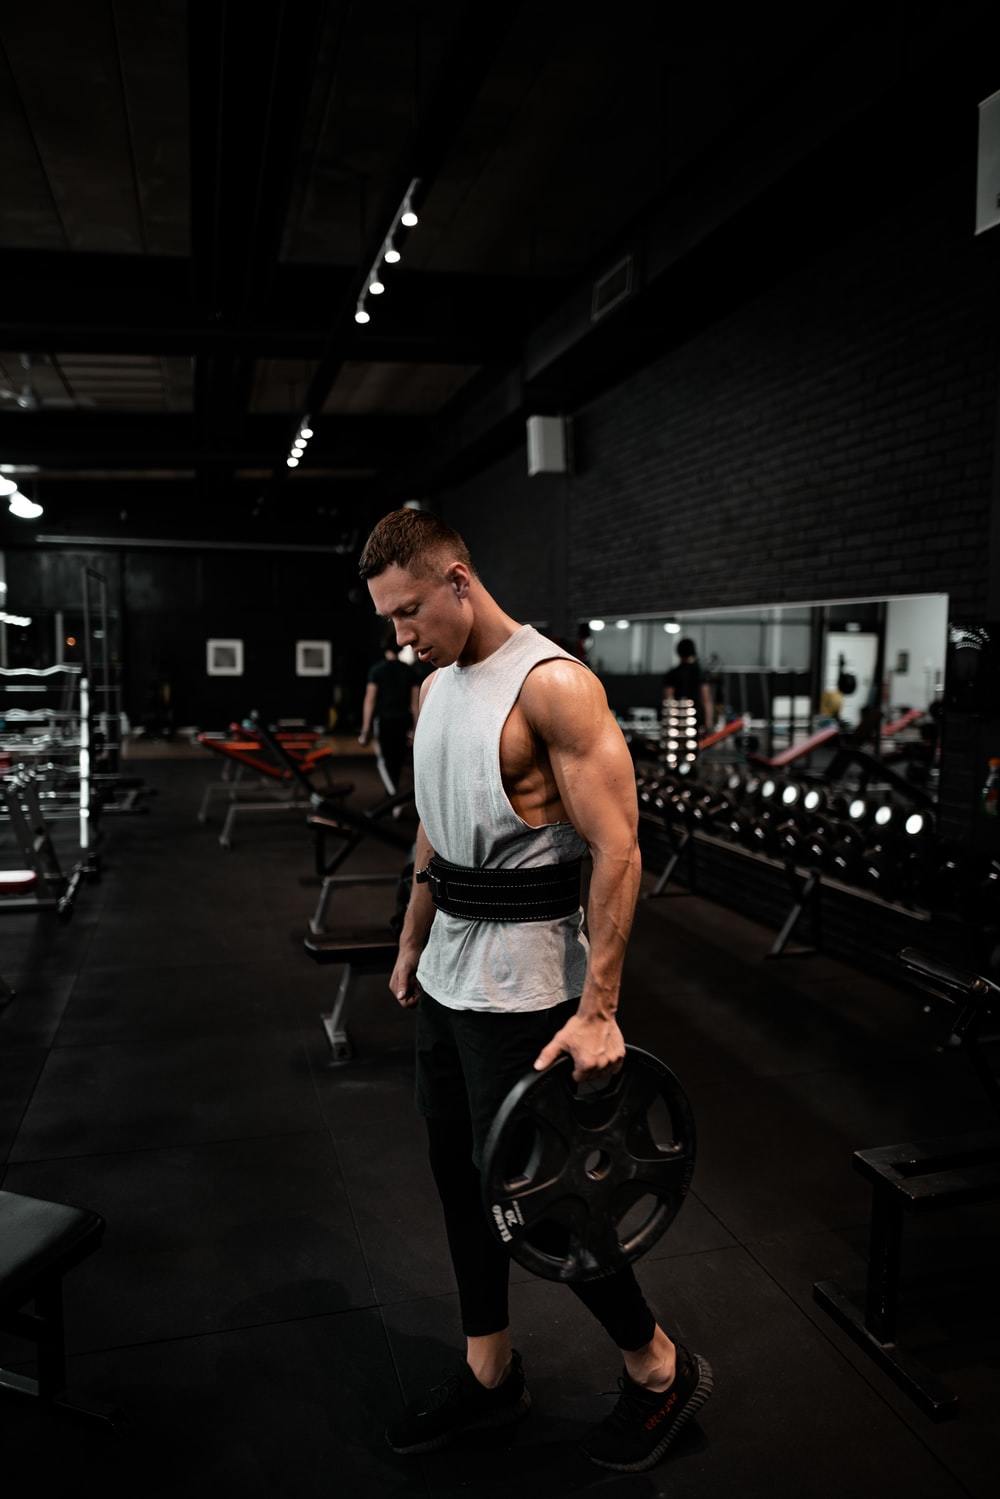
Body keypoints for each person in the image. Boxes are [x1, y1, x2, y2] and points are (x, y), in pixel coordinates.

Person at [358, 508, 712, 1473]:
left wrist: (598, 1008)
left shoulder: (553, 686)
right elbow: (434, 830)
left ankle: (658, 1367)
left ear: (460, 580)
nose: (401, 635)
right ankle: (489, 1375)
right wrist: (408, 946)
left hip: (528, 986)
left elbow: (618, 848)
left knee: (543, 1198)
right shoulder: (433, 692)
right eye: (388, 618)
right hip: (447, 977)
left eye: (410, 611)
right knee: (457, 1178)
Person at [358, 636, 419, 798]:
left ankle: (393, 798)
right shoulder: (410, 671)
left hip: (384, 721)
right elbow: (415, 704)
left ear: (385, 649)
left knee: (386, 761)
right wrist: (416, 729)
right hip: (403, 721)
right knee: (398, 760)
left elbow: (370, 700)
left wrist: (365, 730)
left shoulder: (377, 670)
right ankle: (395, 799)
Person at [662, 637, 713, 730]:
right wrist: (708, 723)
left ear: (678, 652)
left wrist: (670, 721)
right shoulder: (700, 673)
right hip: (697, 719)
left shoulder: (672, 673)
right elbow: (706, 700)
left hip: (678, 719)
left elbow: (669, 699)